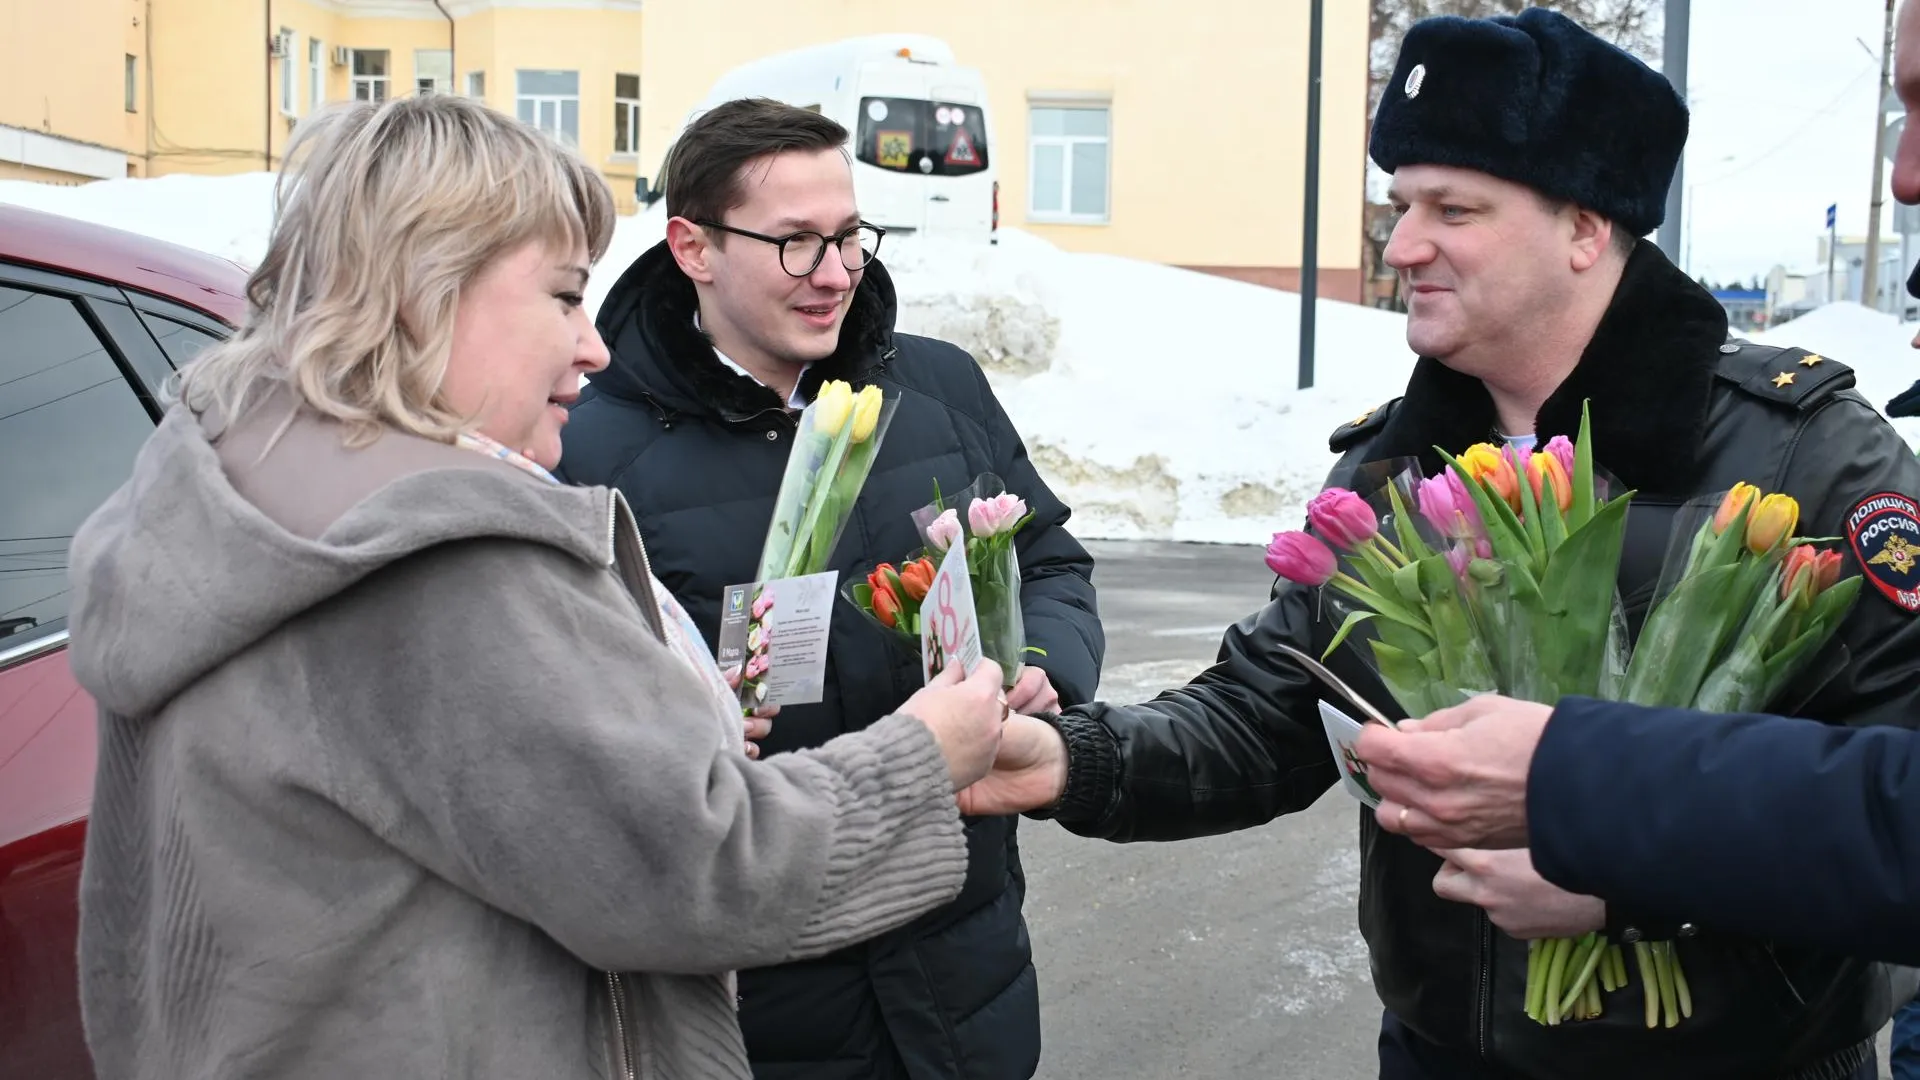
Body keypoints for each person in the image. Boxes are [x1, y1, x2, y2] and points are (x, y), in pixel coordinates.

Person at [965, 8, 1920, 1079]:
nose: (1401, 243)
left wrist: (1632, 883)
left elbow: (1894, 789)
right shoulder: (1394, 465)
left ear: (1586, 227)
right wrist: (1069, 759)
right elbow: (1270, 715)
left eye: (1451, 208)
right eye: (1400, 204)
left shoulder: (1809, 463)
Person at [67, 93, 1016, 1080]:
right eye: (564, 297)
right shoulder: (439, 562)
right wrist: (924, 755)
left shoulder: (226, 491)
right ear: (423, 292)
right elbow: (700, 872)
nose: (594, 346)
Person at [555, 97, 1103, 1080]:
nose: (840, 273)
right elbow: (563, 738)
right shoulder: (589, 455)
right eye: (797, 244)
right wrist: (692, 719)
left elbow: (1049, 559)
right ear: (694, 247)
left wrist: (1042, 666)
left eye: (851, 236)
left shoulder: (938, 388)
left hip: (964, 974)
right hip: (766, 998)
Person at [1352, 695, 1920, 968]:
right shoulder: (1388, 462)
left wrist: (1578, 804)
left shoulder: (1843, 469)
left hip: (1742, 1049)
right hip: (1441, 1036)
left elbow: (1889, 799)